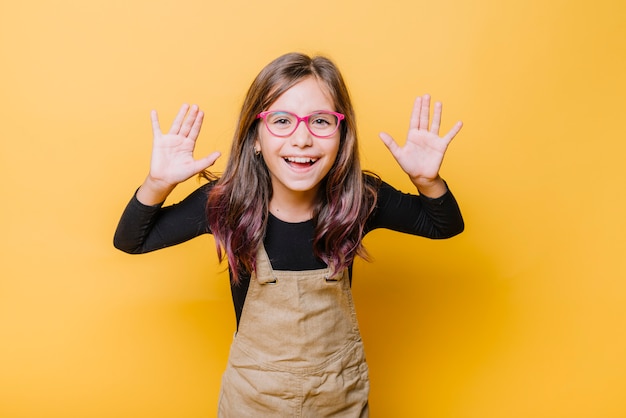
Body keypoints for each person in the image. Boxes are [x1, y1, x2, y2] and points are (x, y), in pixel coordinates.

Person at [114, 52, 464, 417]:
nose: (302, 139)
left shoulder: (360, 198)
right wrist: (157, 184)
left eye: (320, 121)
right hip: (252, 402)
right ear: (255, 139)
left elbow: (444, 226)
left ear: (341, 135)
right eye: (282, 120)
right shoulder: (226, 203)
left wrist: (428, 181)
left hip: (338, 401)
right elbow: (131, 240)